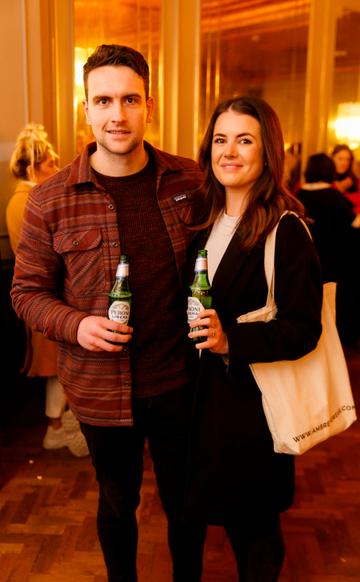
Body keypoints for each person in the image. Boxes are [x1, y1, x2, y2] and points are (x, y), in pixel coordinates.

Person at [11, 45, 206, 581]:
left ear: (150, 104)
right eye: (103, 100)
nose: (117, 114)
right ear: (86, 109)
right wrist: (77, 324)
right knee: (117, 505)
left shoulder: (190, 181)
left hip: (180, 382)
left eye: (129, 99)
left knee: (187, 505)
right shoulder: (50, 199)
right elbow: (25, 292)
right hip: (100, 391)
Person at [184, 96, 323, 581]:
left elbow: (304, 328)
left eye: (245, 140)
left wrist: (231, 342)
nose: (230, 152)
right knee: (218, 516)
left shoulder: (286, 230)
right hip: (205, 406)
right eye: (221, 140)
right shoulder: (204, 220)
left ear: (268, 153)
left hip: (254, 411)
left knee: (255, 531)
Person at [6, 123, 89, 457]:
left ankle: (61, 425)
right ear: (33, 166)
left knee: (60, 365)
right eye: (50, 163)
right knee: (58, 365)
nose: (56, 168)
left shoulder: (27, 199)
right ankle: (56, 428)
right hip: (45, 296)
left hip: (52, 294)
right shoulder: (27, 201)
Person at [331, 144, 360, 214]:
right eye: (340, 159)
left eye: (348, 160)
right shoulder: (325, 181)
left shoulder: (355, 181)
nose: (344, 163)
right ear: (332, 158)